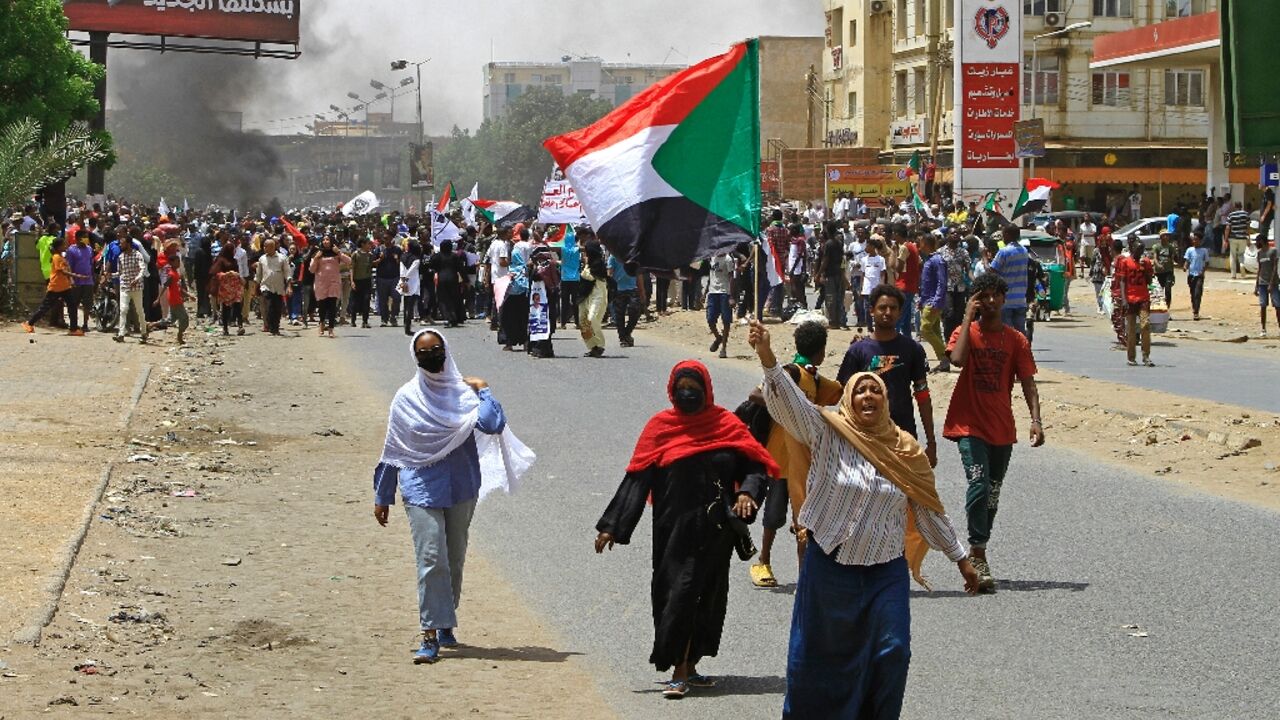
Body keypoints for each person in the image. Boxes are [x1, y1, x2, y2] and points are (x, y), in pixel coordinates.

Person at [747, 320, 977, 718]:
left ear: (886, 400)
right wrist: (767, 355)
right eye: (861, 390)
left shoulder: (906, 451)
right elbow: (790, 404)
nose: (868, 395)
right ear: (849, 399)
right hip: (828, 564)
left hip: (884, 570)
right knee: (816, 657)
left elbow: (928, 509)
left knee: (893, 652)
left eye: (876, 390)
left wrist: (962, 560)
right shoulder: (827, 430)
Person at [595, 360, 776, 699]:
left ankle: (685, 667)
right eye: (682, 387)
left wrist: (748, 493)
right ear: (672, 389)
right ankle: (680, 663)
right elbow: (637, 477)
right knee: (675, 593)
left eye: (694, 387)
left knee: (705, 595)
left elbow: (754, 462)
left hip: (714, 529)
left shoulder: (726, 425)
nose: (688, 393)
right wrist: (612, 526)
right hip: (672, 529)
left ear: (706, 389)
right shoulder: (660, 427)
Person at [373, 329, 534, 664]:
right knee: (432, 558)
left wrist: (484, 390)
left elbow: (492, 424)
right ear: (415, 357)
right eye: (423, 351)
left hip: (461, 486)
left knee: (454, 558)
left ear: (446, 350)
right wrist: (383, 494)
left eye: (436, 349)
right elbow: (397, 449)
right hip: (420, 487)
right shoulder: (407, 397)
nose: (431, 356)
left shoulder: (464, 393)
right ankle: (430, 632)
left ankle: (445, 619)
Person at [943, 272, 1044, 593]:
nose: (989, 302)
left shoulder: (1016, 340)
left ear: (1003, 298)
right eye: (982, 296)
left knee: (993, 493)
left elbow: (1028, 382)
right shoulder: (965, 333)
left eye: (994, 296)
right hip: (969, 425)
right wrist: (965, 317)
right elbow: (956, 361)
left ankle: (980, 546)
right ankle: (977, 553)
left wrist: (1036, 420)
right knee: (979, 484)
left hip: (1002, 428)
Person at [749, 321, 843, 588]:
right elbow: (756, 394)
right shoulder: (791, 373)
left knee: (804, 521)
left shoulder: (814, 377)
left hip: (805, 461)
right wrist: (787, 405)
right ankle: (763, 560)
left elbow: (838, 393)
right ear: (822, 352)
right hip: (779, 458)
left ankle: (806, 575)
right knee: (774, 515)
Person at [837, 284, 937, 464]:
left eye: (893, 308)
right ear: (872, 311)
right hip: (866, 437)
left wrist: (931, 441)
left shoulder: (913, 349)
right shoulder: (857, 351)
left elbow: (922, 394)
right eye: (882, 307)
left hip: (903, 436)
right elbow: (844, 396)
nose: (888, 312)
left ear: (900, 313)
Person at [22, 237, 84, 335]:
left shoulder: (61, 257)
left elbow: (67, 269)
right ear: (58, 247)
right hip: (55, 287)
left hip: (65, 287)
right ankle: (29, 323)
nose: (65, 246)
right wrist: (77, 276)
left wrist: (71, 280)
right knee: (44, 308)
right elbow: (62, 271)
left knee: (72, 306)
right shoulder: (56, 257)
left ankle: (73, 329)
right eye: (63, 245)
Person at [1117, 237, 1155, 366]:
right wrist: (1124, 299)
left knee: (1145, 325)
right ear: (1133, 249)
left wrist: (1146, 270)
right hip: (1130, 298)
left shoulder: (1146, 262)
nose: (1140, 252)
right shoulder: (1125, 262)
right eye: (1138, 250)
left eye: (1142, 250)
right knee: (1131, 329)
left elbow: (1149, 281)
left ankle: (1146, 355)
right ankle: (1131, 357)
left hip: (1143, 297)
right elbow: (1122, 281)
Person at [989, 225, 1030, 335]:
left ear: (1007, 235)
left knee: (1007, 334)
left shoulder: (1004, 252)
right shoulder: (1024, 251)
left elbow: (992, 270)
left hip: (1006, 300)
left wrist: (985, 259)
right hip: (1021, 299)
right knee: (1020, 334)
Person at [918, 232, 949, 372]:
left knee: (925, 329)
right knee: (935, 330)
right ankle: (944, 363)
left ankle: (945, 356)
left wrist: (936, 301)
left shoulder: (937, 260)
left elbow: (942, 283)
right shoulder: (928, 260)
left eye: (921, 242)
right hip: (927, 300)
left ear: (926, 243)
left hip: (933, 302)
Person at [310, 238, 351, 339]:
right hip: (321, 284)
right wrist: (316, 258)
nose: (325, 241)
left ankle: (331, 329)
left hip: (334, 283)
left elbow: (349, 261)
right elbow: (311, 270)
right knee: (322, 306)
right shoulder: (318, 253)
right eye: (324, 240)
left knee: (332, 307)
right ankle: (321, 324)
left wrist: (339, 253)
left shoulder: (336, 253)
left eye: (328, 239)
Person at [577, 229, 608, 358]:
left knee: (592, 318)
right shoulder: (588, 263)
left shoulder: (598, 264)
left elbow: (590, 277)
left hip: (597, 293)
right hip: (586, 295)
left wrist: (585, 266)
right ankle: (592, 346)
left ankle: (600, 345)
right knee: (583, 320)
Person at [116, 235, 151, 343]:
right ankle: (121, 334)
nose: (120, 245)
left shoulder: (137, 255)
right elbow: (120, 272)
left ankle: (144, 332)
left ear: (128, 244)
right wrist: (109, 275)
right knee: (123, 309)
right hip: (125, 286)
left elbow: (142, 268)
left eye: (122, 243)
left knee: (139, 310)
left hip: (137, 287)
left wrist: (137, 278)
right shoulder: (121, 257)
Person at [255, 237, 290, 336]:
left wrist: (289, 284)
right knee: (269, 306)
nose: (265, 248)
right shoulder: (262, 259)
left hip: (278, 287)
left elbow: (287, 272)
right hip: (266, 286)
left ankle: (276, 327)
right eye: (264, 246)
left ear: (273, 247)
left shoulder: (282, 258)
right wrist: (256, 286)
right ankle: (270, 326)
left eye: (267, 246)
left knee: (277, 308)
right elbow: (259, 274)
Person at [64, 228, 96, 335]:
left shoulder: (89, 249)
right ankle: (74, 324)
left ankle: (85, 324)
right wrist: (71, 280)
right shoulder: (71, 250)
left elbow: (91, 264)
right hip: (77, 282)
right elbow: (69, 267)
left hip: (88, 281)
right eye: (84, 237)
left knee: (87, 304)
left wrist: (93, 277)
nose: (87, 239)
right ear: (78, 238)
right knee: (74, 304)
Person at [705, 252, 736, 359]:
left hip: (724, 292)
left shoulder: (728, 259)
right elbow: (711, 275)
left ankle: (723, 348)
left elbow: (731, 277)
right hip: (713, 292)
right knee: (710, 319)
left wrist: (731, 296)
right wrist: (705, 291)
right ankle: (718, 338)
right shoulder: (712, 257)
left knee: (726, 321)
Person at [608, 252, 641, 348]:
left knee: (635, 312)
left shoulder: (633, 256)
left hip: (632, 288)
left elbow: (638, 274)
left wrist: (642, 290)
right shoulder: (613, 257)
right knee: (619, 315)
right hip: (618, 289)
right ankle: (623, 338)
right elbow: (610, 273)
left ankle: (627, 333)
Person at [373, 233, 403, 326]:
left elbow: (402, 263)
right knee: (383, 300)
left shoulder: (397, 249)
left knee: (396, 298)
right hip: (382, 278)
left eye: (388, 238)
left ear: (392, 239)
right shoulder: (379, 249)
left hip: (395, 277)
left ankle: (393, 316)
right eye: (385, 238)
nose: (387, 240)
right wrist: (380, 259)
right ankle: (384, 319)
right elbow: (373, 264)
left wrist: (397, 259)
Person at [1255, 233, 1279, 336]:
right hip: (1262, 283)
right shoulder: (1259, 253)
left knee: (1277, 305)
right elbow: (1259, 269)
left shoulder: (1273, 251)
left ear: (1262, 241)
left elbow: (1274, 267)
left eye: (1257, 242)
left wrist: (1271, 283)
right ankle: (1263, 329)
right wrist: (1256, 285)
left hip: (1272, 283)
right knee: (1263, 305)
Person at [399, 241, 422, 336]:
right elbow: (412, 271)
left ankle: (406, 325)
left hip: (404, 281)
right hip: (412, 282)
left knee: (405, 304)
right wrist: (406, 279)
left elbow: (402, 270)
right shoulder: (416, 259)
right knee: (410, 305)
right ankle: (408, 327)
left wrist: (403, 280)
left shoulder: (402, 257)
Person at [1184, 229, 1208, 321]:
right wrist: (1185, 267)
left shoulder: (1204, 251)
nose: (1195, 241)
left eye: (1196, 239)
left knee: (1198, 293)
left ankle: (1196, 312)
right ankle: (1194, 307)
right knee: (1192, 293)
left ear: (1200, 240)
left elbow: (1206, 262)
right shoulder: (1190, 250)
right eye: (1193, 239)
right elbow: (1187, 260)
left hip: (1199, 275)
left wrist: (1203, 271)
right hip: (1191, 274)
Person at [349, 237, 374, 328]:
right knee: (355, 301)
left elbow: (371, 266)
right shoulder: (355, 254)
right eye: (368, 244)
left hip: (366, 280)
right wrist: (352, 281)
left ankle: (365, 321)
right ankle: (353, 320)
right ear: (363, 244)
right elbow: (352, 268)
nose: (369, 246)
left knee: (366, 300)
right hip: (357, 280)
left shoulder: (370, 255)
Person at [1152, 231, 1177, 308]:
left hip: (1168, 271)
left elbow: (1172, 259)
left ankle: (1167, 308)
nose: (1166, 237)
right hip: (1158, 272)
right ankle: (1159, 307)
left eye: (1167, 235)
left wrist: (1173, 274)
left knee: (1168, 290)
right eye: (1164, 235)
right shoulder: (1156, 247)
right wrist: (1158, 265)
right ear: (1161, 237)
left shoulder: (1171, 247)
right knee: (1158, 291)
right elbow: (1155, 258)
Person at [1226, 201, 1250, 278]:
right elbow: (1247, 227)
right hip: (1243, 237)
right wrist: (1248, 238)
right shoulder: (1246, 214)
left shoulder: (1231, 215)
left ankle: (1233, 275)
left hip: (1233, 237)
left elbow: (1227, 228)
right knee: (1241, 253)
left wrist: (1226, 238)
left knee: (1233, 255)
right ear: (1241, 206)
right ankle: (1242, 264)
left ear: (1234, 206)